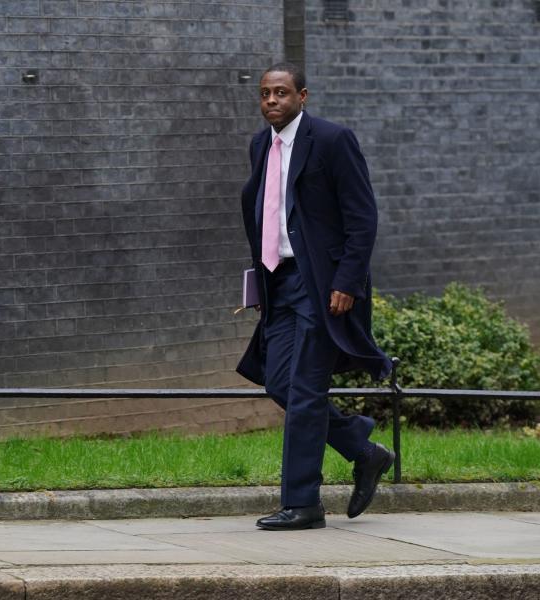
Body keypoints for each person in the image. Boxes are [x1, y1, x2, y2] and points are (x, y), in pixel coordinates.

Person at [236, 63, 395, 531]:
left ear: (302, 96)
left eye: (281, 93)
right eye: (265, 93)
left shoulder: (332, 140)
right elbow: (267, 213)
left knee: (305, 391)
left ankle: (303, 503)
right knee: (279, 380)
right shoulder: (259, 145)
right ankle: (363, 450)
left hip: (322, 286)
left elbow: (362, 216)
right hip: (279, 281)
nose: (271, 101)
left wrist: (347, 281)